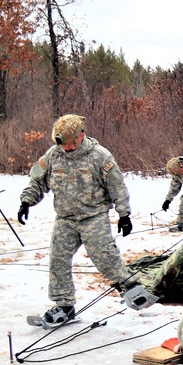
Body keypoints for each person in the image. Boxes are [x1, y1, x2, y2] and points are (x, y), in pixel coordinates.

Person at [17, 115, 156, 327]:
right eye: (62, 144)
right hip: (65, 218)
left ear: (81, 135)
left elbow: (117, 186)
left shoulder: (100, 156)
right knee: (57, 260)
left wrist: (124, 214)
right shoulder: (54, 155)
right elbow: (38, 181)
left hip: (94, 216)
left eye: (70, 143)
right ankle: (64, 305)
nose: (66, 148)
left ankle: (131, 287)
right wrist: (26, 201)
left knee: (105, 257)